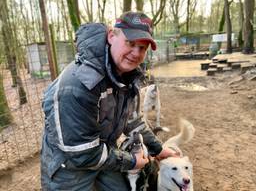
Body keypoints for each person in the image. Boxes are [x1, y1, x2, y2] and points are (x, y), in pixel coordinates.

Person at [41, 11, 179, 191]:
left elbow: (133, 120)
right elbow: (82, 154)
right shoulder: (77, 87)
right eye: (130, 43)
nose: (136, 53)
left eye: (143, 48)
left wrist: (158, 149)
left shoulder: (127, 78)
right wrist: (132, 162)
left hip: (104, 152)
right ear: (112, 36)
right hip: (69, 166)